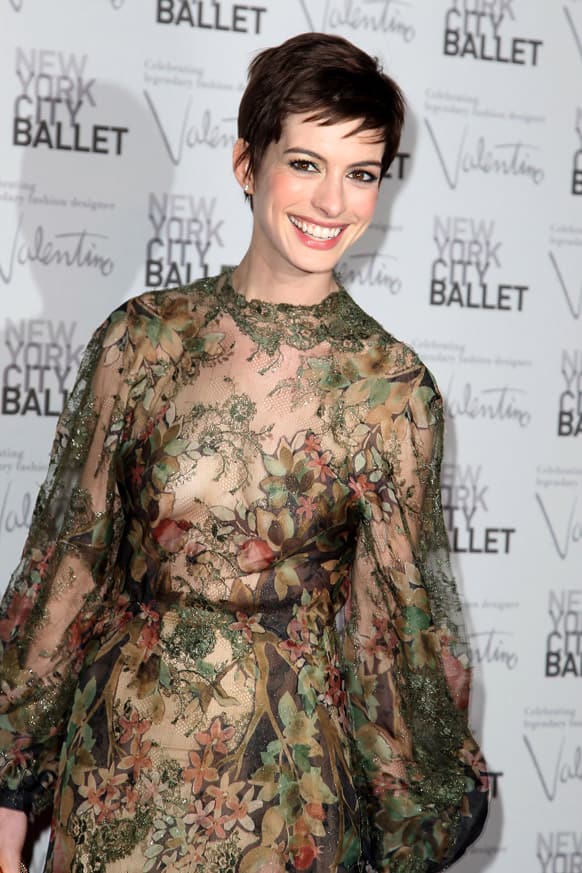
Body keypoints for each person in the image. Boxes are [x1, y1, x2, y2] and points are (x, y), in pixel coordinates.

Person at [0, 32, 489, 873]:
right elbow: (67, 569)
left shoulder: (393, 391)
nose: (332, 200)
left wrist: (412, 806)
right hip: (121, 769)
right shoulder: (140, 342)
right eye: (305, 162)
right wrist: (9, 798)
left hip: (286, 788)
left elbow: (390, 632)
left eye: (361, 172)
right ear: (245, 162)